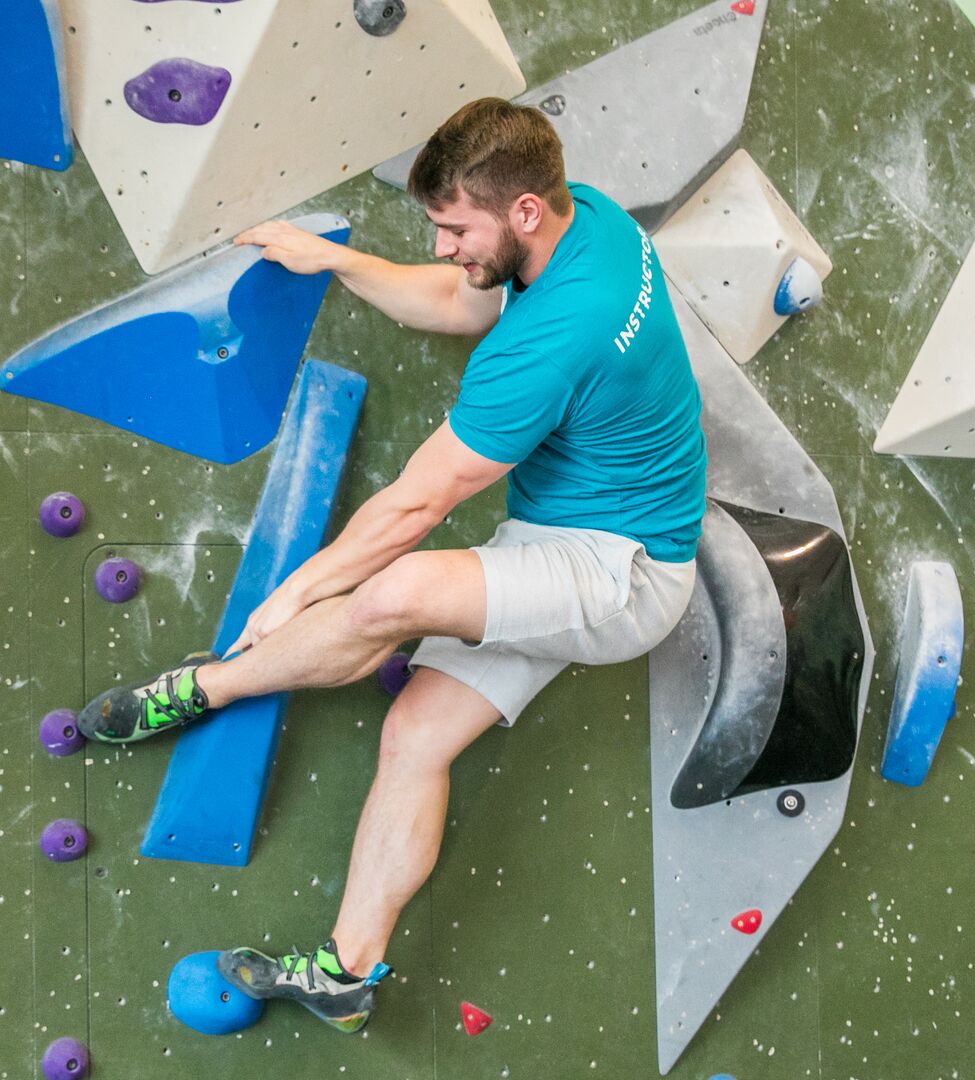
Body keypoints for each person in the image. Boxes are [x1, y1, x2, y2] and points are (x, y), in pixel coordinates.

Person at [75, 97, 708, 1033]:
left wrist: (298, 589)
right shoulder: (586, 217)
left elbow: (417, 504)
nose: (446, 245)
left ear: (523, 210)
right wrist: (334, 260)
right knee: (414, 735)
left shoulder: (552, 340)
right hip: (563, 541)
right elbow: (459, 300)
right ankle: (345, 975)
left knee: (400, 589)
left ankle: (210, 686)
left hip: (624, 572)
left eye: (454, 227)